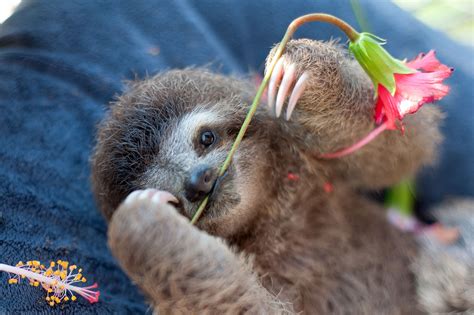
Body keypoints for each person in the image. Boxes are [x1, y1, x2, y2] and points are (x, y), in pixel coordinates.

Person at [0, 1, 472, 313]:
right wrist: (182, 273)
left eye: (204, 140)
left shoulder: (282, 135)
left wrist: (331, 90)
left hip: (443, 267)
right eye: (177, 201)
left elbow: (404, 160)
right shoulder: (235, 268)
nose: (199, 179)